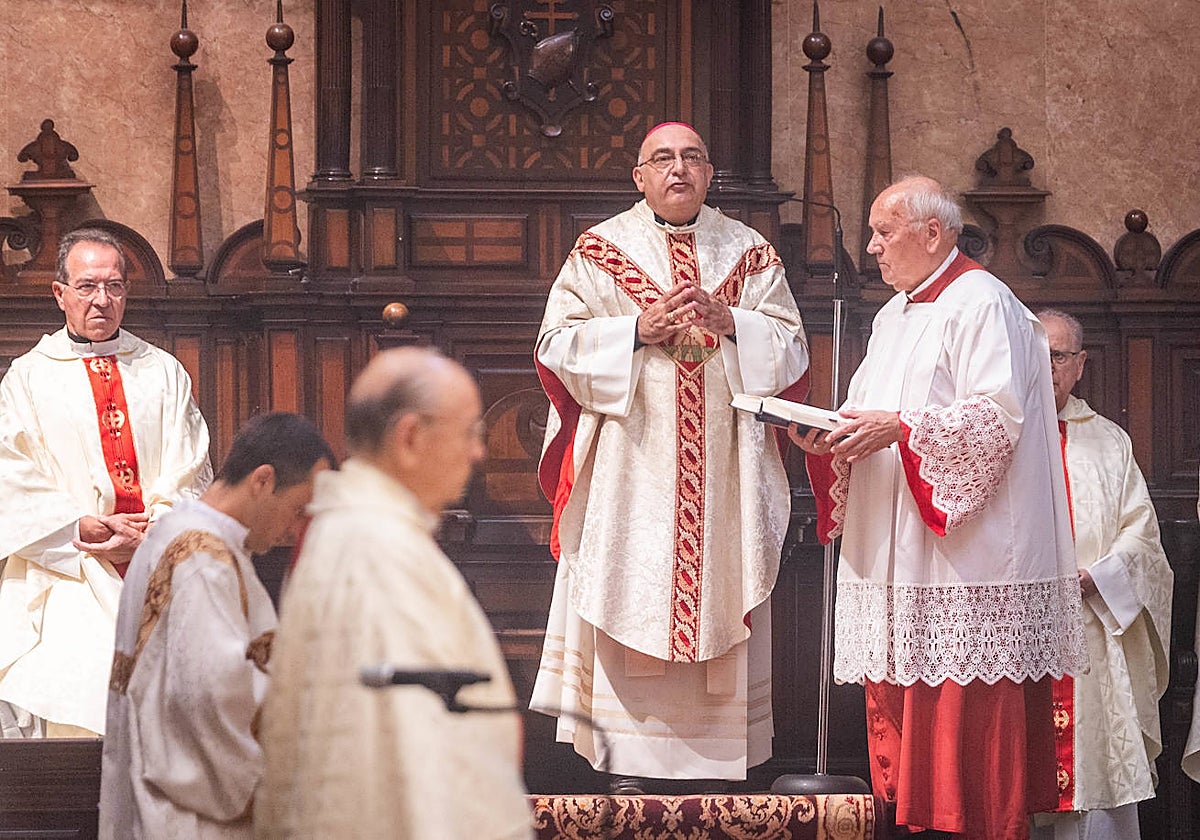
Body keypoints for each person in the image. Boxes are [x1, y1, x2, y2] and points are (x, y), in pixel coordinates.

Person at [791, 176, 1087, 840]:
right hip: (902, 563)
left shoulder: (987, 305)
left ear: (933, 233)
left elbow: (995, 422)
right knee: (904, 746)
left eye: (882, 231)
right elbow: (877, 417)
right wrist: (830, 437)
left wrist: (899, 429)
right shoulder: (894, 314)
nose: (870, 248)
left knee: (968, 755)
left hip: (964, 567)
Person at [529, 121, 809, 788]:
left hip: (724, 475)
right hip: (635, 466)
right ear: (640, 176)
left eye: (692, 158)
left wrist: (733, 322)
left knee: (720, 582)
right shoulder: (599, 252)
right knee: (633, 583)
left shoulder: (750, 253)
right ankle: (630, 761)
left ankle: (716, 767)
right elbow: (555, 347)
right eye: (663, 159)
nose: (678, 169)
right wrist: (633, 330)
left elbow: (793, 351)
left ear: (710, 174)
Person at [255, 348, 531, 840]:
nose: (478, 453)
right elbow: (420, 754)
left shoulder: (350, 533)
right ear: (409, 438)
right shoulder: (381, 552)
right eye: (470, 432)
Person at [0, 227, 212, 738]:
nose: (102, 300)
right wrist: (80, 526)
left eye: (114, 286)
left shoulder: (163, 372)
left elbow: (191, 466)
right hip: (68, 568)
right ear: (60, 294)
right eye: (88, 286)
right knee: (78, 697)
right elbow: (11, 475)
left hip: (156, 561)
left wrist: (153, 529)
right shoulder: (28, 379)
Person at [99, 412, 334, 840]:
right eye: (297, 509)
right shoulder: (203, 559)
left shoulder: (177, 535)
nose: (295, 529)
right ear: (263, 480)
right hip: (197, 817)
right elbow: (212, 695)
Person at [1027, 310, 1172, 840]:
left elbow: (1144, 538)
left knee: (1095, 787)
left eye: (1059, 356)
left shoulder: (1111, 443)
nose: (1047, 368)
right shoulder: (1003, 435)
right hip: (1020, 636)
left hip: (1093, 633)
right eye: (1037, 355)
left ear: (1080, 364)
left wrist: (1099, 578)